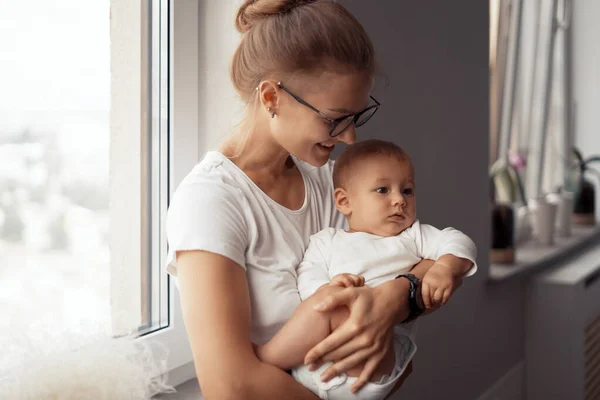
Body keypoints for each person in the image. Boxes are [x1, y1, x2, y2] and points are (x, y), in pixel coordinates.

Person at [165, 1, 473, 398]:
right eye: (333, 118)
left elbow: (412, 252)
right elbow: (231, 387)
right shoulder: (210, 202)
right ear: (272, 97)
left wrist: (396, 297)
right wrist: (397, 300)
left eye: (356, 117)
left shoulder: (326, 181)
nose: (349, 138)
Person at [254, 139, 477, 399]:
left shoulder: (412, 236)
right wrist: (328, 288)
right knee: (324, 302)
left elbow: (458, 240)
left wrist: (445, 266)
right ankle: (268, 358)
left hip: (377, 356)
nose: (399, 200)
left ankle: (264, 358)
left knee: (333, 306)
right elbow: (308, 274)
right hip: (314, 363)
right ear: (344, 201)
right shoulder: (327, 240)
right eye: (383, 190)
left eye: (407, 190)